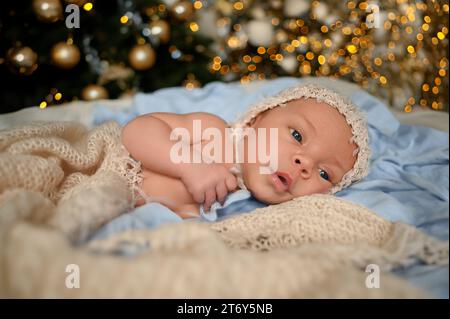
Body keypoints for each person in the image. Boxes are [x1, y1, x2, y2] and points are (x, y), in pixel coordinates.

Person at [121, 84, 371, 218]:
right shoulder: (215, 133)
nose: (304, 163)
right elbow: (137, 131)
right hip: (108, 172)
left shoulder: (248, 209)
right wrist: (191, 165)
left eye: (325, 174)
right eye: (297, 135)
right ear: (257, 119)